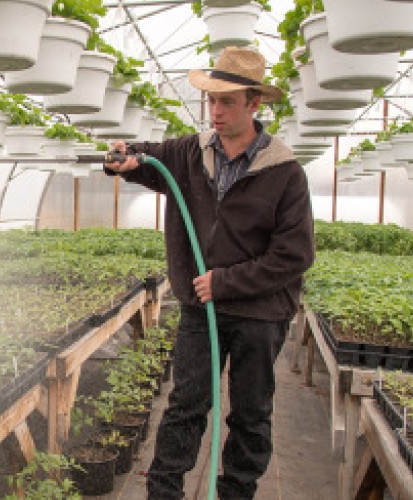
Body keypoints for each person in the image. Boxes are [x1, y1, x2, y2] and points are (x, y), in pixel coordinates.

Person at [104, 46, 316, 499]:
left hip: (260, 313)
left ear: (254, 104)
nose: (215, 112)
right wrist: (123, 157)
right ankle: (163, 492)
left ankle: (236, 492)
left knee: (251, 411)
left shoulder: (284, 172)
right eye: (211, 101)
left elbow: (295, 254)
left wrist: (226, 281)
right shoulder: (189, 152)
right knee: (186, 403)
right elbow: (150, 156)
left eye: (227, 102)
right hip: (202, 309)